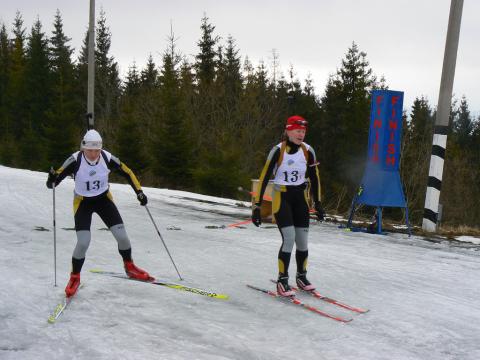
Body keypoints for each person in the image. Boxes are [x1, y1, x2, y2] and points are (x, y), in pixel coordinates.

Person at [46, 129, 151, 297]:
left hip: (104, 200)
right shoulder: (75, 160)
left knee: (122, 237)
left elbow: (128, 172)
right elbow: (53, 183)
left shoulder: (107, 157)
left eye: (97, 150)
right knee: (83, 242)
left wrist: (139, 192)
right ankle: (75, 277)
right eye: (90, 150)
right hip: (83, 203)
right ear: (83, 148)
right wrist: (51, 179)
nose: (94, 154)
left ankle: (130, 267)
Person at [252, 115, 325, 297]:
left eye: (303, 131)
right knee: (289, 238)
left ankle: (301, 277)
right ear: (288, 131)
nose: (301, 134)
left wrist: (319, 204)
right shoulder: (278, 151)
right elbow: (264, 178)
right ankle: (282, 280)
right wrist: (257, 206)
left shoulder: (309, 151)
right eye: (298, 131)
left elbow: (315, 178)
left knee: (302, 241)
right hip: (281, 197)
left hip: (300, 198)